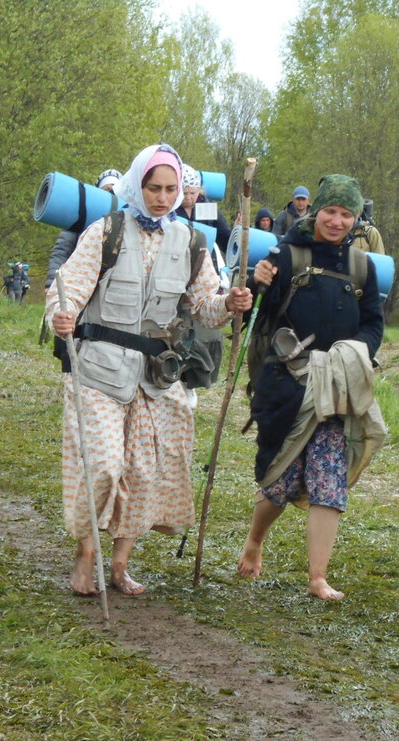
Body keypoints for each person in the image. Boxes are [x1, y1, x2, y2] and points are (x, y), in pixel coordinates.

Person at [47, 144, 253, 596]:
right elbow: (68, 290)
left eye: (171, 189)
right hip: (99, 368)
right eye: (153, 188)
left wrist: (230, 303)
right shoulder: (106, 231)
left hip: (155, 377)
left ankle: (119, 564)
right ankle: (86, 551)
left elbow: (204, 307)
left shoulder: (193, 241)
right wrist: (60, 316)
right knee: (102, 465)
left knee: (143, 472)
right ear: (136, 186)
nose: (162, 197)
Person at [237, 175, 386, 601]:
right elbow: (254, 315)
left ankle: (317, 577)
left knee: (329, 478)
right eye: (331, 211)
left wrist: (359, 353)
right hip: (287, 385)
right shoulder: (285, 255)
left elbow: (374, 321)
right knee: (282, 480)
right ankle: (255, 538)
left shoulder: (362, 267)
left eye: (346, 214)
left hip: (338, 388)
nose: (337, 221)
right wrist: (257, 283)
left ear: (356, 219)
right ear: (315, 211)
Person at [44, 168, 121, 370]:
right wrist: (52, 282)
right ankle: (71, 369)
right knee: (71, 327)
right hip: (80, 284)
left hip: (108, 289)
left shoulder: (124, 223)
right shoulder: (82, 218)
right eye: (106, 189)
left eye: (114, 190)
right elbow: (61, 250)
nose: (110, 194)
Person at [177, 164, 231, 251]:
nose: (188, 198)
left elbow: (224, 237)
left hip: (204, 257)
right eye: (184, 193)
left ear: (199, 190)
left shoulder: (206, 206)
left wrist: (237, 234)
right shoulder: (170, 209)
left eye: (192, 193)